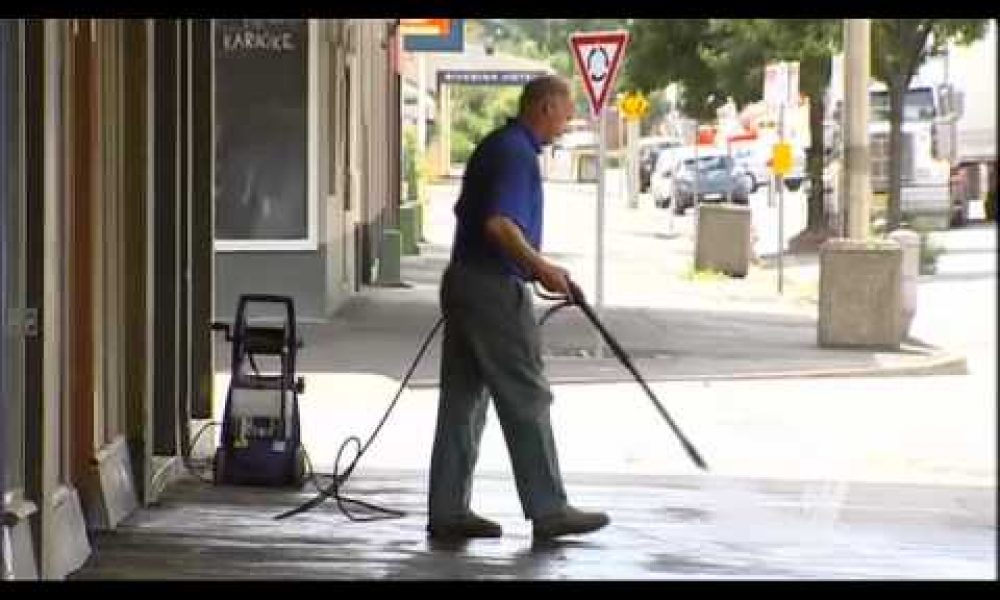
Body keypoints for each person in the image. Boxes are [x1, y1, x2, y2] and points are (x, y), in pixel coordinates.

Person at [426, 75, 609, 541]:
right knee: (527, 393)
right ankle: (549, 508)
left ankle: (448, 510)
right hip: (491, 287)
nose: (565, 127)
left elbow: (466, 213)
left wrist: (533, 269)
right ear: (545, 107)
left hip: (465, 279)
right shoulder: (515, 153)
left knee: (463, 399)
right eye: (565, 116)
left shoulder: (496, 146)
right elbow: (500, 224)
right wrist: (542, 267)